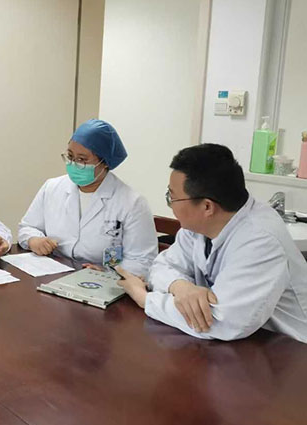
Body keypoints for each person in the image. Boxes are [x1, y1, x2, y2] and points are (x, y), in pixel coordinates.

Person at [118, 143, 307, 343]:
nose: (171, 205)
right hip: (246, 342)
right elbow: (162, 265)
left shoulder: (261, 241)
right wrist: (180, 286)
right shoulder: (199, 226)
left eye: (172, 198)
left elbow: (220, 321)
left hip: (290, 348)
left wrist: (145, 299)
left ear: (207, 206)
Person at [18, 119, 157, 277]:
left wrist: (109, 272)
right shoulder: (52, 187)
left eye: (82, 159)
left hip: (104, 282)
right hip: (53, 272)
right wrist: (34, 240)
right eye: (70, 156)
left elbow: (142, 260)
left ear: (105, 162)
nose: (73, 164)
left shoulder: (132, 203)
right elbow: (27, 227)